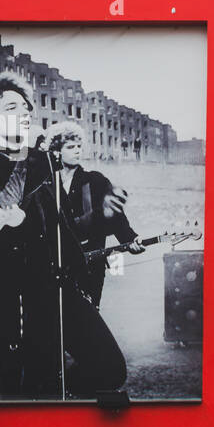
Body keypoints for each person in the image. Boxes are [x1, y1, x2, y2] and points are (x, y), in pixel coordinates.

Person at [0, 74, 125, 396]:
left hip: (61, 289)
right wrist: (29, 157)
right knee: (31, 389)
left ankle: (65, 397)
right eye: (12, 107)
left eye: (26, 108)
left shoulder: (40, 166)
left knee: (109, 369)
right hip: (18, 300)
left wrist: (101, 219)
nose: (25, 113)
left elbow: (62, 227)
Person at [42, 122, 143, 308]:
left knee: (87, 320)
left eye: (79, 146)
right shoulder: (46, 183)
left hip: (90, 265)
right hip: (53, 266)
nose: (77, 151)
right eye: (70, 147)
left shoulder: (95, 180)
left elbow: (115, 216)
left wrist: (130, 239)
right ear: (56, 151)